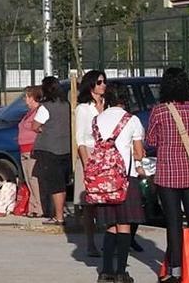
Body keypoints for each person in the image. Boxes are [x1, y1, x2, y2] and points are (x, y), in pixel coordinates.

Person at [146, 67, 189, 283]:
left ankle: (176, 270)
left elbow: (151, 141)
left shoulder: (160, 110)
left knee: (173, 222)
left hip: (168, 173)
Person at [89, 84, 146, 283]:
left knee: (110, 226)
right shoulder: (132, 120)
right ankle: (121, 271)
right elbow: (139, 153)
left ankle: (106, 271)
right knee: (124, 226)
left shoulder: (97, 119)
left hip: (103, 179)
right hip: (125, 178)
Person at [75, 70, 107, 257]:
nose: (103, 85)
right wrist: (88, 164)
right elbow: (80, 138)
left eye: (104, 82)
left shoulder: (108, 105)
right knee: (89, 204)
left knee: (108, 201)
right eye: (99, 82)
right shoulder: (83, 109)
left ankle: (109, 242)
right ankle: (90, 243)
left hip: (107, 155)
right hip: (89, 153)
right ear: (91, 85)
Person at [32, 76, 72, 225]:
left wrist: (44, 129)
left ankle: (58, 216)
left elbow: (35, 126)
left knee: (55, 185)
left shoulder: (46, 107)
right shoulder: (67, 105)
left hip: (50, 149)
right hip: (66, 149)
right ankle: (59, 213)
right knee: (62, 183)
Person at [17, 85, 44, 218]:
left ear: (33, 97)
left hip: (32, 148)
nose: (25, 100)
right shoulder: (29, 112)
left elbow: (41, 128)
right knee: (29, 179)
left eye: (27, 97)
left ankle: (38, 207)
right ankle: (33, 206)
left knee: (34, 179)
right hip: (24, 149)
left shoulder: (39, 111)